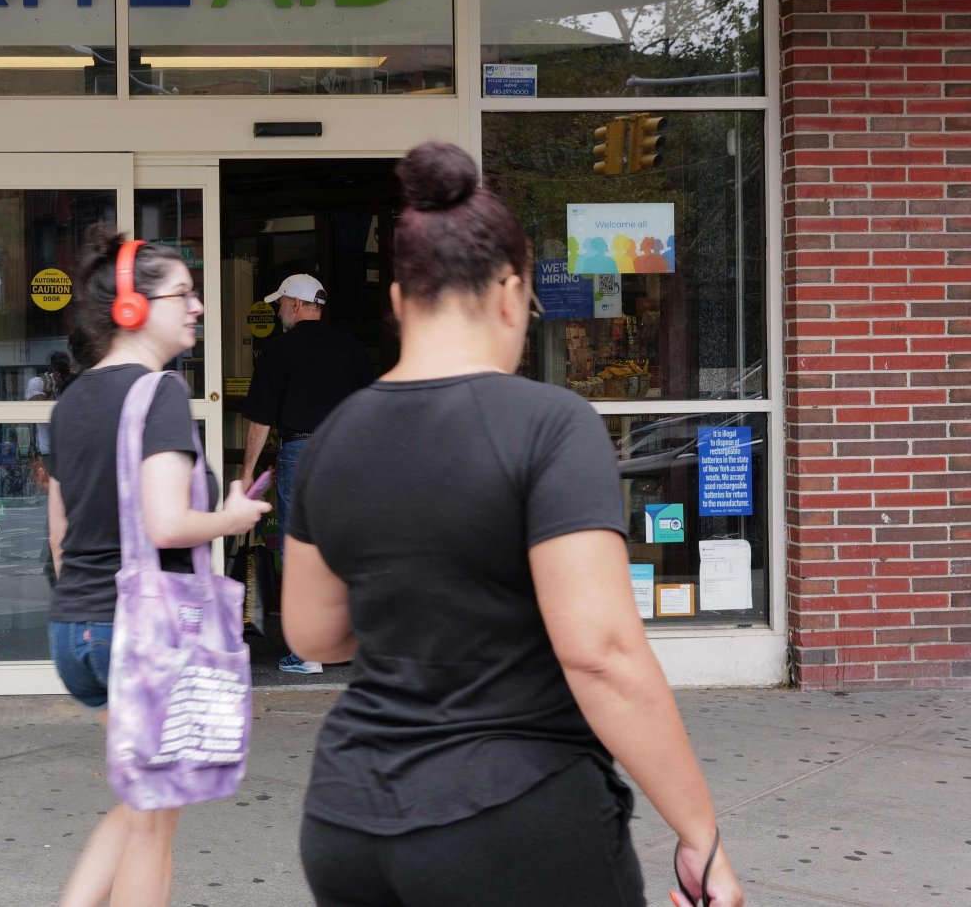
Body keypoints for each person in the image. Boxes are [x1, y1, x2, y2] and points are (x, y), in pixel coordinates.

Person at [281, 142, 744, 907]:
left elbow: (312, 635)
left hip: (346, 820)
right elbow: (599, 654)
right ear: (510, 292)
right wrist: (701, 833)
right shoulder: (550, 425)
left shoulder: (334, 436)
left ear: (399, 301)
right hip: (515, 820)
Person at [47, 231, 269, 907]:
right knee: (155, 825)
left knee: (137, 802)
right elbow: (166, 524)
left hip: (78, 630)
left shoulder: (71, 402)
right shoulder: (160, 395)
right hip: (141, 635)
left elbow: (60, 538)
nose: (198, 306)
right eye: (184, 293)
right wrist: (231, 519)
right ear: (131, 307)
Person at [239, 272, 373, 674]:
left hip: (302, 452)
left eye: (281, 303)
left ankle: (309, 651)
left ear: (296, 305)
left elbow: (261, 420)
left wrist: (247, 473)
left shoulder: (278, 351)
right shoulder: (352, 348)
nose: (279, 310)